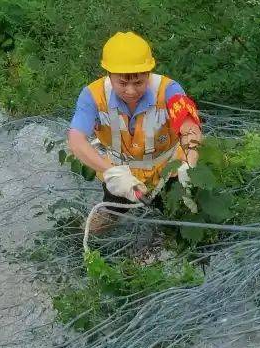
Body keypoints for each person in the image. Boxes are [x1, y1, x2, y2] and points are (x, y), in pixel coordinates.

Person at [66, 31, 203, 213]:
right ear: (108, 74)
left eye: (139, 83)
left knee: (173, 218)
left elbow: (190, 126)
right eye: (122, 83)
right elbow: (76, 139)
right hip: (120, 172)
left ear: (149, 73)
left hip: (169, 170)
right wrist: (111, 172)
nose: (131, 91)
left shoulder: (170, 90)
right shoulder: (92, 96)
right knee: (109, 215)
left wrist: (189, 162)